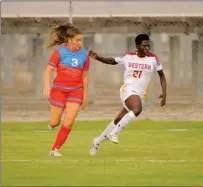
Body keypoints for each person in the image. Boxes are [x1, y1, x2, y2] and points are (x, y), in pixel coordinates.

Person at [88, 34, 167, 156]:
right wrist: (97, 57)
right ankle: (114, 133)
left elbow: (161, 75)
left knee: (118, 119)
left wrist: (164, 92)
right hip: (127, 90)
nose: (147, 48)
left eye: (148, 46)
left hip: (139, 95)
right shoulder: (129, 56)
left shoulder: (153, 59)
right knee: (137, 109)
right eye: (144, 45)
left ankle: (97, 141)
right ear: (137, 46)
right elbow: (112, 61)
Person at [43, 23, 90, 156]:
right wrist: (46, 87)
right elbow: (48, 71)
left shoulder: (85, 55)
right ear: (69, 40)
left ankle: (54, 149)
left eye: (81, 40)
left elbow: (85, 77)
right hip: (59, 91)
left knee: (69, 121)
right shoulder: (59, 53)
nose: (80, 43)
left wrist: (85, 96)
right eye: (77, 40)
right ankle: (52, 124)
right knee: (54, 122)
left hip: (76, 91)